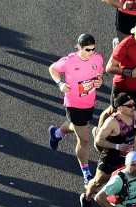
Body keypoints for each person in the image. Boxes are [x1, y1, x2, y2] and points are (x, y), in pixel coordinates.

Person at [47, 34, 104, 185]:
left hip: (89, 102)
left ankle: (57, 133)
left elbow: (99, 72)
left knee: (77, 126)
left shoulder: (97, 59)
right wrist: (60, 83)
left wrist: (99, 81)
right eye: (87, 49)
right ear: (79, 47)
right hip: (73, 103)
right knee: (84, 139)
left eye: (93, 49)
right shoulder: (69, 61)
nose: (91, 52)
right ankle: (86, 173)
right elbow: (52, 69)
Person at [104, 20, 136, 169]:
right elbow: (109, 67)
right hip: (123, 87)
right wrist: (129, 72)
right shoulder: (124, 45)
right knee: (113, 116)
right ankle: (101, 139)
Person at [77, 93, 135, 207]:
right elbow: (98, 140)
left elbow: (132, 136)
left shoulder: (133, 116)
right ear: (119, 108)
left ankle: (120, 206)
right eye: (129, 105)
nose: (133, 107)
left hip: (126, 158)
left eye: (133, 105)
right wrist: (118, 146)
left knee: (125, 182)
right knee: (99, 181)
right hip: (111, 157)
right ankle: (86, 198)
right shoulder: (112, 122)